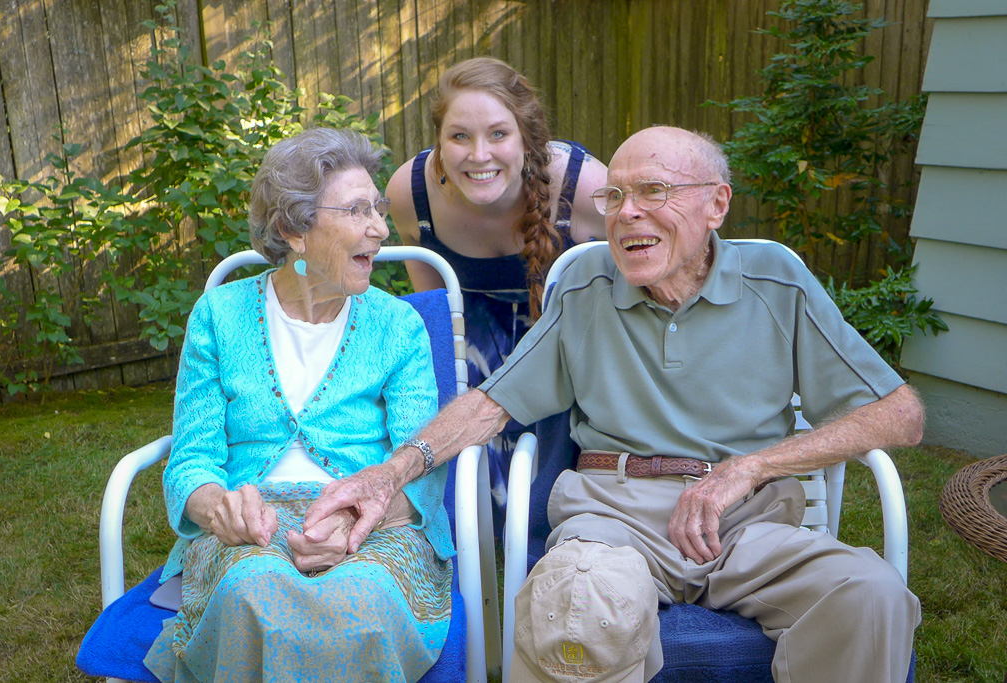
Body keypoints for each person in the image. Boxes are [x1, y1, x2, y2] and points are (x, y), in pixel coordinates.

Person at [313, 125, 926, 683]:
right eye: (615, 197)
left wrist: (750, 468)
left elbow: (900, 414)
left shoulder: (775, 281)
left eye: (654, 191)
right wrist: (389, 474)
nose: (628, 213)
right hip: (616, 519)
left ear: (716, 204)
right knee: (576, 603)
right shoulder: (587, 288)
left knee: (871, 592)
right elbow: (490, 405)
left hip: (750, 523)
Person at [142, 127, 454, 683]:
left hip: (373, 525)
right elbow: (191, 460)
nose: (381, 229)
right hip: (250, 530)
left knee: (361, 601)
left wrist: (363, 518)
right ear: (293, 230)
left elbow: (422, 463)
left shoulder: (398, 325)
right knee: (255, 592)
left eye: (378, 208)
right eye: (358, 210)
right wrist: (219, 508)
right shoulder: (220, 316)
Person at [386, 57, 607, 524]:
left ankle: (552, 510)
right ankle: (456, 519)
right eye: (460, 136)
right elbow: (436, 323)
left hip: (566, 334)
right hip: (476, 338)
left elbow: (625, 299)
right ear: (439, 142)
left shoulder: (583, 187)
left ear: (527, 138)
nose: (479, 154)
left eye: (498, 134)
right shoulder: (411, 193)